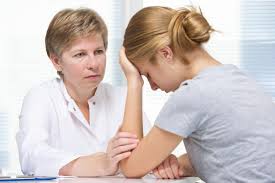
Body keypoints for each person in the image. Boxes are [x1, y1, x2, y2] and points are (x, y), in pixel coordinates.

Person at [118, 6, 275, 182]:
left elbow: (131, 167)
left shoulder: (192, 95)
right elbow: (238, 155)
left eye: (147, 75)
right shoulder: (238, 78)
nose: (153, 86)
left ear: (165, 53)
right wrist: (181, 164)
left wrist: (133, 83)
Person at [16, 8, 151, 176]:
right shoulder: (41, 97)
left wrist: (166, 163)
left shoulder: (122, 97)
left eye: (99, 52)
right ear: (57, 61)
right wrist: (102, 163)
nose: (93, 64)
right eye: (80, 54)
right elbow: (32, 157)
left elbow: (149, 155)